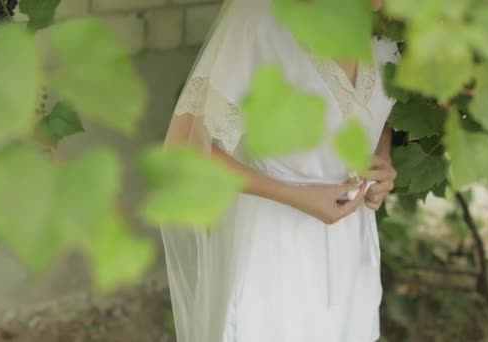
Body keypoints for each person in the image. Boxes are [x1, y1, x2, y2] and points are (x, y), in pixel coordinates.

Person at [162, 0, 399, 341]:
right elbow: (184, 150)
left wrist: (381, 161)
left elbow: (379, 116)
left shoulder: (393, 28)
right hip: (272, 258)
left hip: (352, 254)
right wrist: (295, 194)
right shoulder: (258, 19)